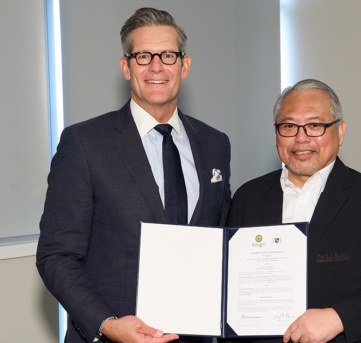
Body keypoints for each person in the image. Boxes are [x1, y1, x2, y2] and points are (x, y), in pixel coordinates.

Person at [36, 7, 231, 343]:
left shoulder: (215, 143)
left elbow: (222, 237)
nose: (156, 67)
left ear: (184, 65)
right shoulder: (84, 143)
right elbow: (56, 255)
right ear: (126, 67)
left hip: (196, 335)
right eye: (143, 56)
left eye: (168, 55)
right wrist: (107, 324)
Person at [223, 79, 361, 343]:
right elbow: (229, 289)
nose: (300, 138)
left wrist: (338, 318)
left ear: (340, 131)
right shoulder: (247, 198)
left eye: (314, 126)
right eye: (288, 126)